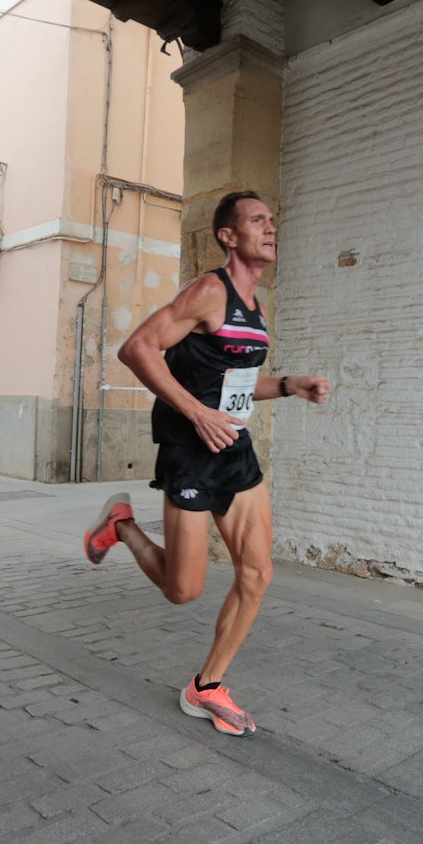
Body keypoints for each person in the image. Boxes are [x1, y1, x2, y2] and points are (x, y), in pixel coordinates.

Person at [83, 191, 330, 736]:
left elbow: (235, 385)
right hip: (190, 450)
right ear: (228, 235)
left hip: (233, 448)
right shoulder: (207, 291)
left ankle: (207, 685)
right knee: (183, 590)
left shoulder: (257, 306)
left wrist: (288, 385)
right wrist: (196, 414)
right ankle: (121, 525)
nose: (271, 227)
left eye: (273, 219)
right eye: (258, 220)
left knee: (258, 572)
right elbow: (138, 348)